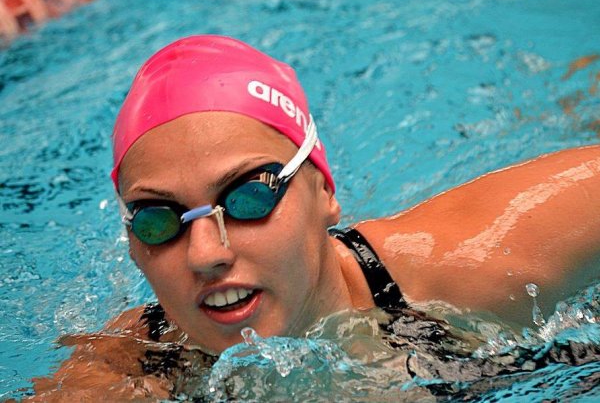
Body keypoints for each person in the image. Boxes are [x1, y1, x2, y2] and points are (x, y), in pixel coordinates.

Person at [28, 35, 600, 400]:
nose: (206, 253)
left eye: (249, 197)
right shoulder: (135, 364)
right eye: (159, 219)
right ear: (133, 244)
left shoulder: (475, 263)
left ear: (324, 189)